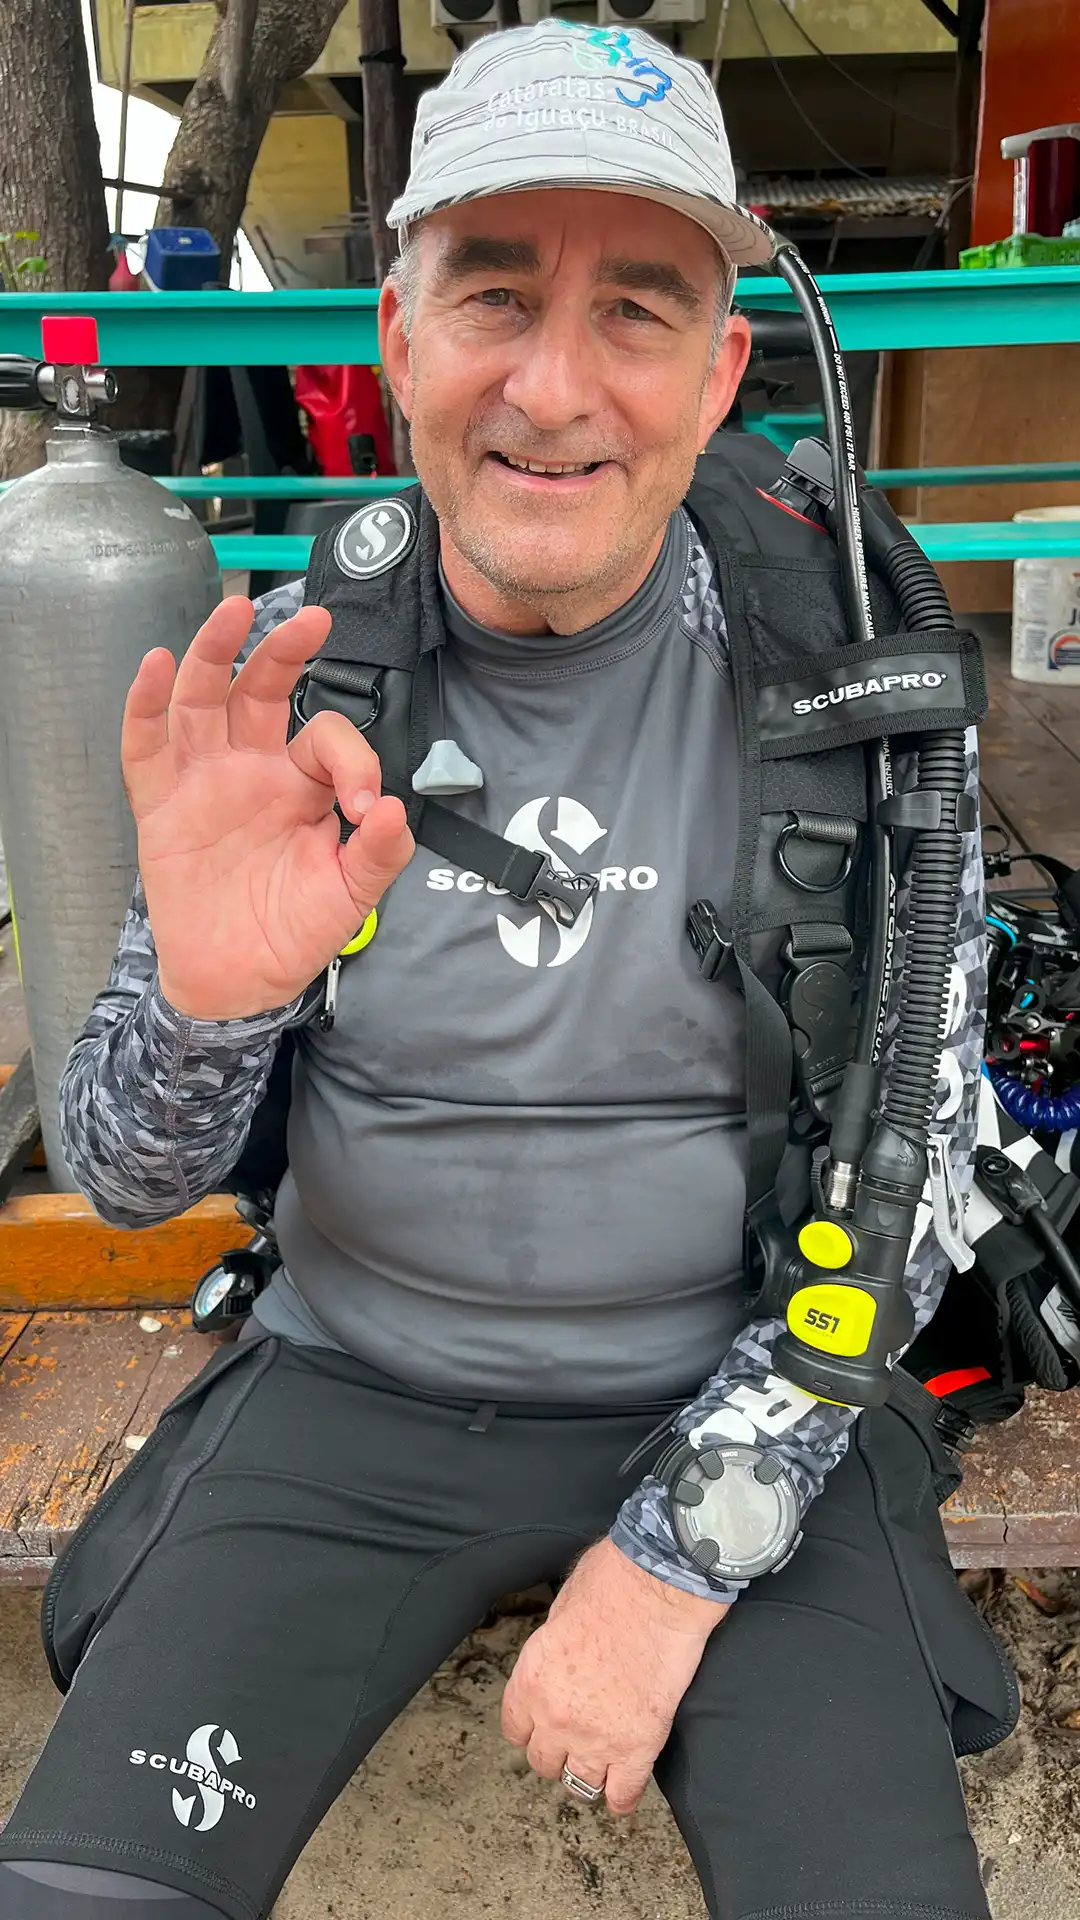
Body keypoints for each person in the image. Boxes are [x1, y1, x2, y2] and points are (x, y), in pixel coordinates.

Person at [0, 21, 1016, 1920]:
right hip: (350, 1388)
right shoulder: (298, 677)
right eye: (490, 292)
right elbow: (134, 1177)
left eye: (636, 310)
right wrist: (209, 1009)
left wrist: (677, 1562)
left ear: (721, 373)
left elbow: (915, 1194)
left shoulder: (857, 692)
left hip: (751, 1389)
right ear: (395, 337)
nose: (554, 388)